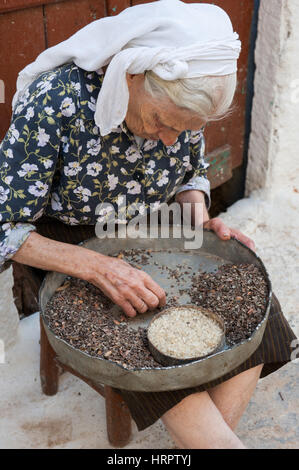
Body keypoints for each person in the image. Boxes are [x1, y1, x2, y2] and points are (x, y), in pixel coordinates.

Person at [0, 0, 296, 449]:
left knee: (256, 310)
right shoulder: (55, 102)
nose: (171, 139)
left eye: (186, 128)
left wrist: (197, 209)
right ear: (130, 78)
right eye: (161, 122)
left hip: (152, 225)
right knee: (143, 344)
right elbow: (4, 227)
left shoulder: (182, 99)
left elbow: (191, 171)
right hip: (72, 239)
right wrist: (99, 267)